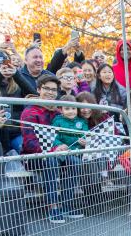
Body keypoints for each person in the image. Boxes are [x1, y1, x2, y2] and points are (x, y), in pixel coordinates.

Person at [21, 74, 84, 224]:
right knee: (51, 161)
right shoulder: (30, 112)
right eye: (46, 89)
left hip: (60, 153)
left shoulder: (58, 113)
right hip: (35, 156)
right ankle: (52, 206)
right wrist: (53, 149)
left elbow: (66, 135)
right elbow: (30, 143)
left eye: (54, 90)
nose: (50, 92)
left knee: (75, 162)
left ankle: (67, 204)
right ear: (38, 89)